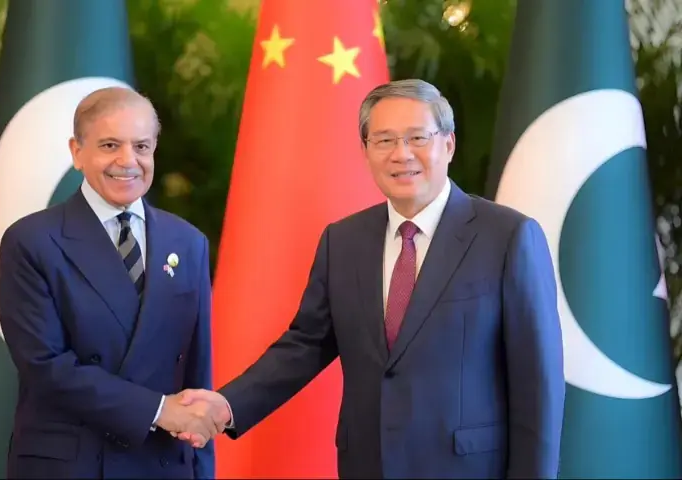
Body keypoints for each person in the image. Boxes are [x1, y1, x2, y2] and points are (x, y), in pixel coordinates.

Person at [175, 79, 565, 479]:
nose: (401, 153)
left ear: (448, 144)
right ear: (365, 151)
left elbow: (538, 384)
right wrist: (228, 405)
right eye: (384, 140)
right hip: (368, 464)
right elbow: (305, 345)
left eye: (417, 138)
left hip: (468, 467)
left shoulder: (508, 237)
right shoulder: (343, 241)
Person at [0, 86, 218, 479]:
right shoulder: (31, 241)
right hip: (73, 466)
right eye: (110, 145)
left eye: (141, 146)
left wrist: (201, 469)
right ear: (77, 152)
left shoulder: (188, 243)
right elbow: (45, 366)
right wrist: (157, 410)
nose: (128, 161)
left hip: (162, 465)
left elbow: (197, 376)